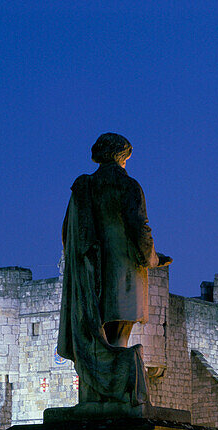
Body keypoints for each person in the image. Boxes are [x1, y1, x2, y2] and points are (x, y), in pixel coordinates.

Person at [58, 132, 166, 408]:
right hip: (123, 272)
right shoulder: (127, 186)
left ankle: (95, 395)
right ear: (123, 156)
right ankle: (116, 393)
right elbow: (139, 228)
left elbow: (68, 232)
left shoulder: (83, 187)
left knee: (96, 333)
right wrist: (153, 259)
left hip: (91, 274)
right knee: (118, 337)